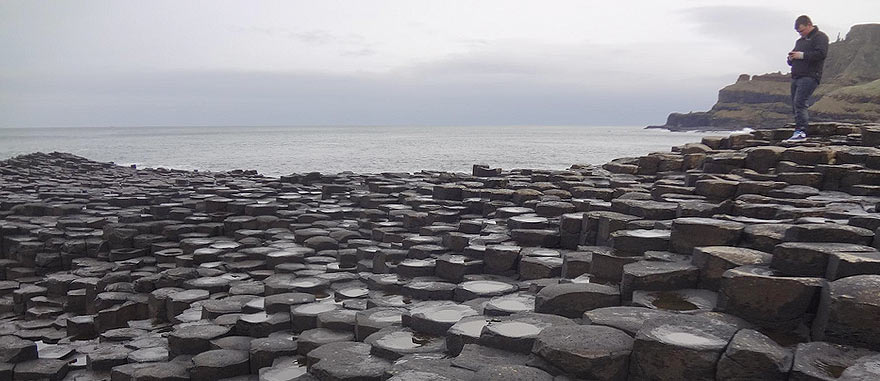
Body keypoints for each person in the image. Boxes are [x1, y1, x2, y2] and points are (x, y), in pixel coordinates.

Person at [786, 15, 829, 141]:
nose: (800, 34)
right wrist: (790, 58)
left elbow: (821, 54)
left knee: (800, 102)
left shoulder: (820, 37)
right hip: (796, 76)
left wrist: (802, 55)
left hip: (810, 76)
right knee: (795, 104)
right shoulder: (800, 41)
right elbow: (794, 58)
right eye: (798, 32)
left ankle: (801, 131)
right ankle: (798, 130)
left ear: (809, 25)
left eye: (802, 30)